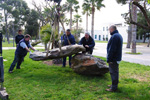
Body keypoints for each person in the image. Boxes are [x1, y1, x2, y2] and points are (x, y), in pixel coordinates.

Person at [106, 25, 123, 92]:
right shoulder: (118, 35)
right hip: (116, 58)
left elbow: (112, 49)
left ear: (112, 29)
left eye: (109, 30)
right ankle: (114, 85)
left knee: (113, 72)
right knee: (115, 72)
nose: (109, 31)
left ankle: (113, 88)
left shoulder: (115, 36)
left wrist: (109, 59)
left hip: (114, 58)